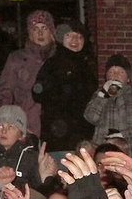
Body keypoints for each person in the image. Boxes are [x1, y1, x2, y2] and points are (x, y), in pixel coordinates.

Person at [34, 25, 96, 153]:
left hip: (83, 135)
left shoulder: (88, 66)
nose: (75, 40)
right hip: (57, 135)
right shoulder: (52, 64)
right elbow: (37, 93)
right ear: (62, 39)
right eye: (69, 35)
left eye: (79, 37)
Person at [0, 12, 56, 137]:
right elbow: (5, 93)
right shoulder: (16, 59)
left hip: (56, 128)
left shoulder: (60, 58)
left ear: (51, 32)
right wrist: (8, 123)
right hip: (27, 125)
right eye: (35, 29)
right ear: (29, 33)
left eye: (44, 28)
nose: (40, 33)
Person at [84, 54, 132, 164]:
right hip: (103, 150)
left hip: (130, 151)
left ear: (128, 78)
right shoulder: (99, 94)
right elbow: (90, 117)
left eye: (121, 72)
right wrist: (104, 95)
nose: (115, 75)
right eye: (111, 72)